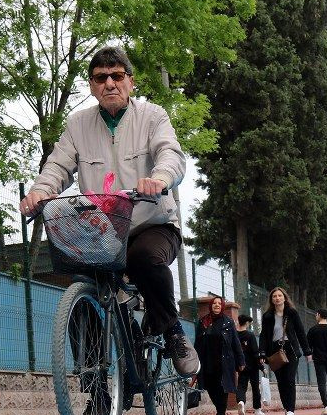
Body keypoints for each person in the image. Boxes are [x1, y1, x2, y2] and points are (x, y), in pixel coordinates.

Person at [19, 46, 199, 378]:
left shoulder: (152, 116)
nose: (110, 84)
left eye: (117, 76)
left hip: (153, 223)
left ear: (130, 81)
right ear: (91, 85)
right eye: (101, 78)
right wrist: (40, 192)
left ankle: (173, 331)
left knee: (145, 260)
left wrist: (159, 178)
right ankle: (97, 392)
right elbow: (57, 166)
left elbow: (170, 154)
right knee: (81, 298)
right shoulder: (78, 125)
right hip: (104, 233)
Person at [258, 287, 311, 415]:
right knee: (281, 382)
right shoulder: (267, 316)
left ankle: (291, 411)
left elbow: (300, 332)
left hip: (290, 349)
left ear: (284, 297)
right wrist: (262, 353)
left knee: (290, 380)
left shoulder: (292, 313)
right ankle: (286, 408)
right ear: (272, 299)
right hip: (275, 351)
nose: (277, 298)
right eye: (274, 296)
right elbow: (264, 335)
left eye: (279, 296)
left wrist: (307, 351)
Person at [193, 296, 244, 415]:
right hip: (207, 361)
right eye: (214, 303)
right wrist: (194, 361)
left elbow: (235, 342)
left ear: (222, 306)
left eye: (219, 303)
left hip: (224, 361)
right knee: (210, 386)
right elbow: (197, 343)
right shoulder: (203, 322)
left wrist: (241, 360)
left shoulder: (228, 322)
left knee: (222, 387)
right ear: (211, 306)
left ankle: (221, 414)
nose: (216, 305)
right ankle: (219, 407)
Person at [235, 315, 265, 415]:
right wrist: (261, 366)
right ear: (247, 323)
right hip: (253, 365)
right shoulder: (250, 335)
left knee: (241, 386)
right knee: (255, 387)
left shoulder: (234, 335)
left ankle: (241, 401)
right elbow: (255, 352)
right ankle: (257, 410)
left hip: (241, 365)